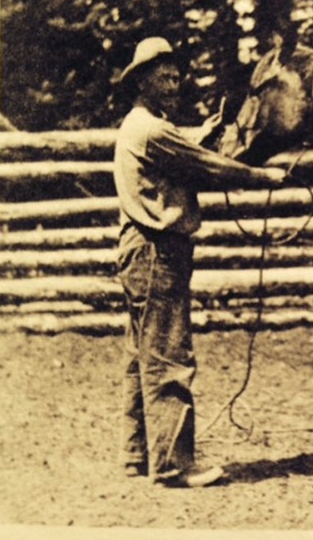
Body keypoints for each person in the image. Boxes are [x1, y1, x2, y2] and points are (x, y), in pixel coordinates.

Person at [114, 37, 286, 487]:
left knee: (140, 357)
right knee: (169, 356)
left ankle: (137, 455)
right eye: (165, 77)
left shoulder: (139, 126)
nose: (175, 84)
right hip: (158, 252)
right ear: (142, 82)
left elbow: (178, 156)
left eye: (176, 76)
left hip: (139, 250)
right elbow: (209, 168)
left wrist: (198, 137)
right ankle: (173, 465)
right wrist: (262, 176)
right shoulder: (153, 131)